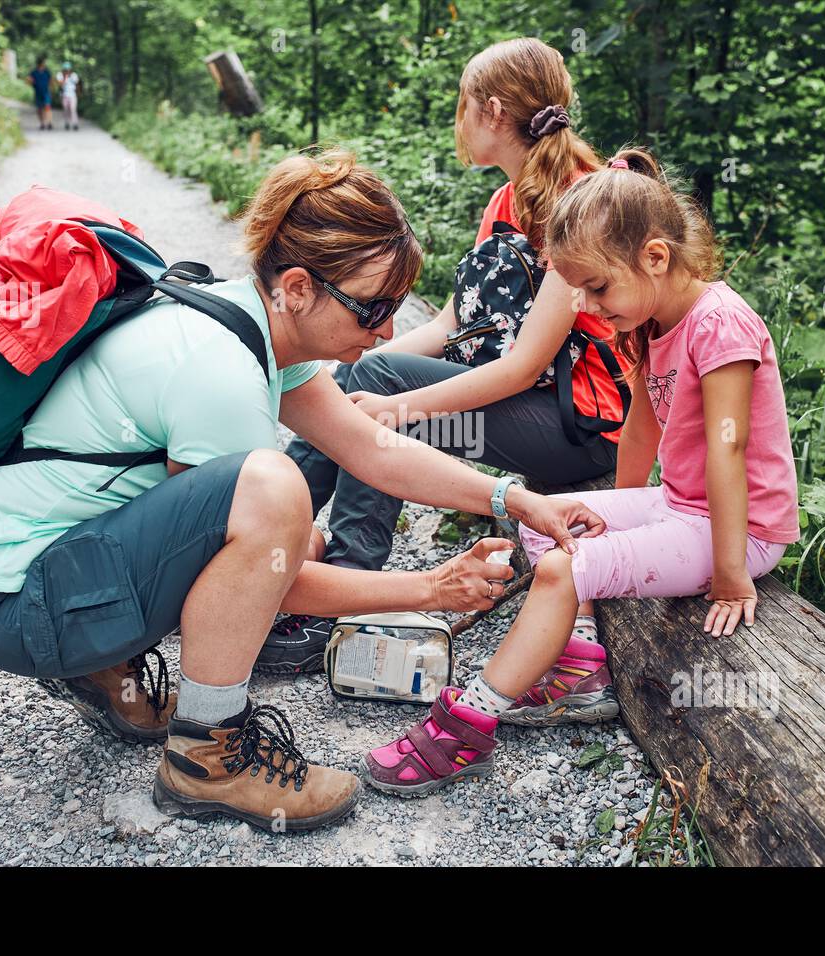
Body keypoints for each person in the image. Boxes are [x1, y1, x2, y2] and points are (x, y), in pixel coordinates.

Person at [0, 149, 606, 831]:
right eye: (371, 307)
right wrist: (428, 590)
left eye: (396, 308)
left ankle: (106, 665)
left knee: (277, 512)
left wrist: (509, 499)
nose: (383, 333)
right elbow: (258, 586)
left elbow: (373, 448)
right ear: (296, 287)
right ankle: (208, 756)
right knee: (273, 488)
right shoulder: (221, 371)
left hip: (18, 577)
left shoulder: (241, 320)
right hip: (18, 608)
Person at [363, 148, 801, 796]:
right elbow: (644, 426)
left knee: (565, 567)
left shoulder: (721, 325)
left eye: (597, 287)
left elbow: (728, 450)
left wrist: (733, 576)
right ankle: (580, 662)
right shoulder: (655, 322)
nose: (590, 303)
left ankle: (469, 722)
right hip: (683, 506)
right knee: (553, 519)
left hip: (744, 532)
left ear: (655, 257)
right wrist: (617, 516)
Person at [269, 38, 630, 674]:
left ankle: (346, 584)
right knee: (361, 368)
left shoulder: (586, 203)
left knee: (378, 383)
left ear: (491, 110)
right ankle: (278, 540)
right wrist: (350, 365)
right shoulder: (505, 199)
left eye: (461, 105)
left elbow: (521, 366)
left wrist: (394, 402)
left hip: (579, 426)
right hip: (524, 399)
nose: (456, 120)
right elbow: (450, 324)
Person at [28, 56, 52, 130]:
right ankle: (42, 123)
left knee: (47, 107)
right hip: (38, 92)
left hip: (46, 92)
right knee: (39, 109)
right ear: (40, 63)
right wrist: (32, 84)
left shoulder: (47, 72)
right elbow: (29, 79)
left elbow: (51, 80)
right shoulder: (34, 72)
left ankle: (49, 122)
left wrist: (51, 89)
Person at [56, 61, 80, 131]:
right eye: (66, 69)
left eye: (68, 69)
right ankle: (67, 123)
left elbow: (77, 84)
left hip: (73, 95)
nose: (67, 71)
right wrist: (65, 77)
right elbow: (60, 84)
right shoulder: (60, 75)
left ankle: (75, 123)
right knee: (66, 110)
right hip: (64, 95)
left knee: (73, 109)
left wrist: (78, 93)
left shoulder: (74, 75)